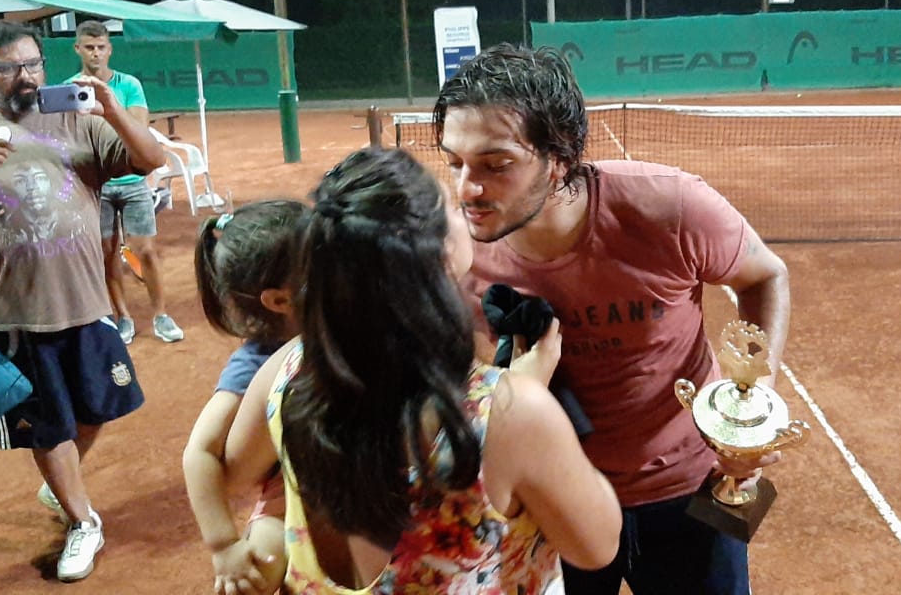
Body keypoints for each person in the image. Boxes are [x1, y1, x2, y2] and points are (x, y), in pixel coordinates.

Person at [433, 43, 793, 595]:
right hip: (555, 498)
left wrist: (752, 410)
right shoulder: (457, 250)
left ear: (558, 157)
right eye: (454, 163)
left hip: (695, 486)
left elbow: (764, 276)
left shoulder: (670, 207)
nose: (467, 191)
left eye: (495, 165)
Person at [220, 147, 622, 595]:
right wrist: (523, 400)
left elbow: (236, 470)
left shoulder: (289, 368)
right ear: (440, 254)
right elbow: (597, 547)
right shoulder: (509, 414)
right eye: (450, 205)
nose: (465, 200)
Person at [0, 19, 165, 582]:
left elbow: (150, 160)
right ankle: (82, 520)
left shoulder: (78, 117)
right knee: (48, 426)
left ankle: (60, 484)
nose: (25, 77)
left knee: (101, 407)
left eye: (32, 65)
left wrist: (110, 109)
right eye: (9, 68)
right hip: (13, 314)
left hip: (86, 302)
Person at [183, 200, 311, 595]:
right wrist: (223, 545)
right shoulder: (255, 363)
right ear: (279, 300)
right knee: (256, 574)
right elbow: (199, 451)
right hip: (287, 491)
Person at [68, 19, 184, 344]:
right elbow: (70, 136)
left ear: (109, 49)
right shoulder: (68, 89)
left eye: (100, 47)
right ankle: (123, 317)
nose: (95, 53)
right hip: (96, 186)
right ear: (77, 49)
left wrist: (107, 109)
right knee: (106, 253)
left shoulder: (129, 85)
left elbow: (139, 131)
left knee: (145, 251)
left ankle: (161, 315)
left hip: (133, 182)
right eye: (89, 47)